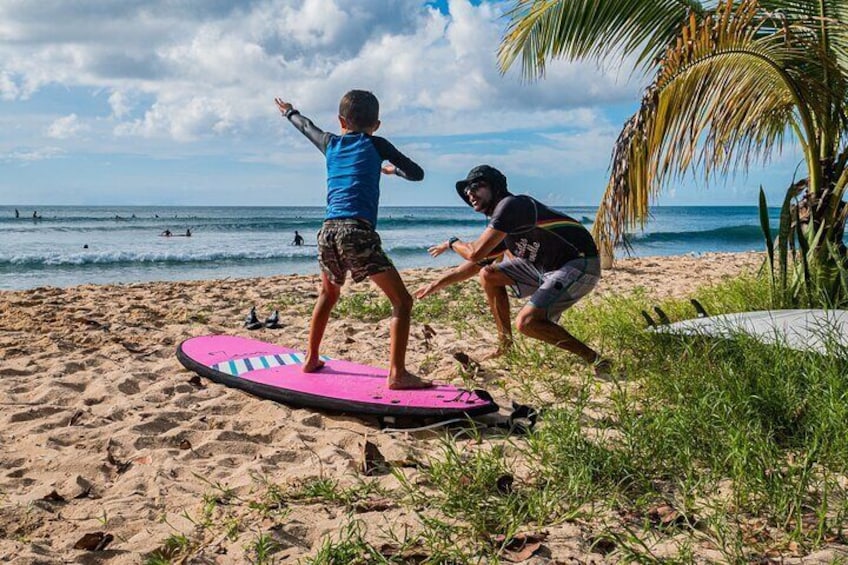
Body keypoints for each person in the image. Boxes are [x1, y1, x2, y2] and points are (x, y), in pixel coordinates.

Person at [275, 90, 430, 389]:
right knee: (402, 301)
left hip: (327, 231)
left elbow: (307, 127)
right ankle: (397, 374)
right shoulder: (376, 143)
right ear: (377, 124)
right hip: (356, 232)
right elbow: (417, 174)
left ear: (340, 120)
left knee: (328, 295)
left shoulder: (330, 142)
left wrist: (290, 112)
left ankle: (310, 358)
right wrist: (393, 170)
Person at [414, 165, 611, 377]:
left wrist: (452, 243)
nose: (470, 193)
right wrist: (436, 284)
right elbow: (476, 265)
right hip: (545, 269)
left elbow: (474, 253)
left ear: (495, 187)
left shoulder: (512, 205)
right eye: (467, 191)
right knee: (488, 275)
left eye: (476, 186)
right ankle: (505, 345)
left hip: (579, 264)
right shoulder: (506, 228)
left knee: (527, 323)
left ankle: (596, 359)